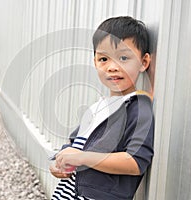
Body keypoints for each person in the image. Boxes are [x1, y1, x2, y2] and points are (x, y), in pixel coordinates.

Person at [50, 16, 154, 200]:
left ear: (144, 62)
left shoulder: (138, 107)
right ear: (95, 62)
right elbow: (74, 145)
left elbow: (135, 162)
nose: (112, 67)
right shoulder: (96, 108)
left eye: (123, 57)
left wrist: (82, 158)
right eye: (104, 59)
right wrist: (59, 163)